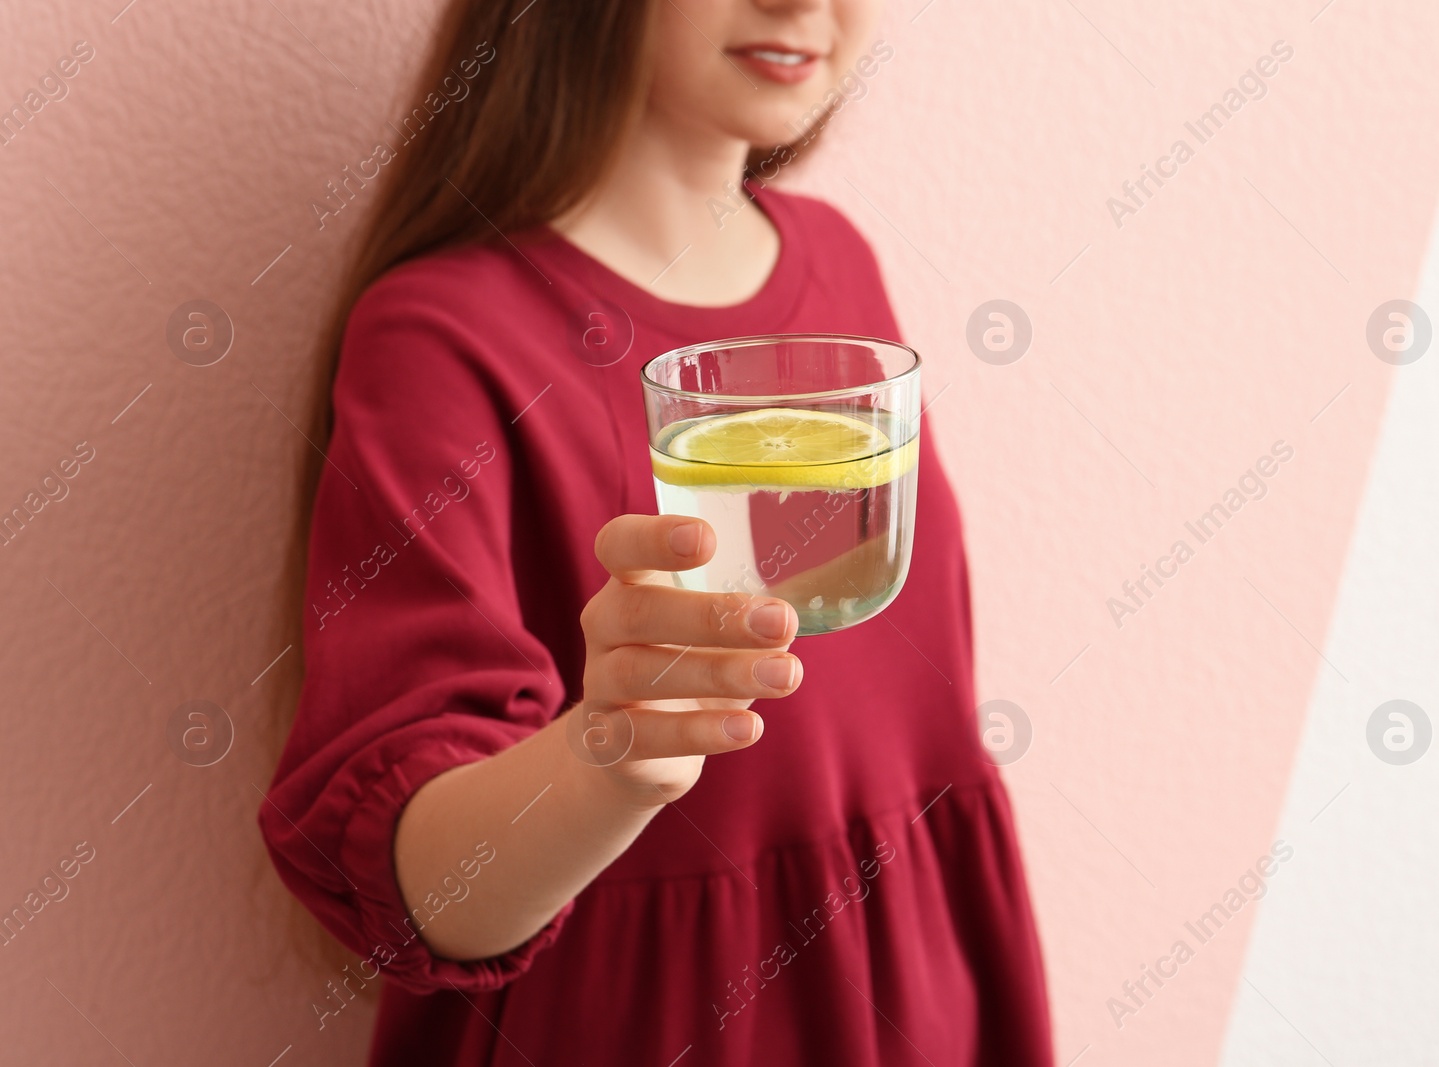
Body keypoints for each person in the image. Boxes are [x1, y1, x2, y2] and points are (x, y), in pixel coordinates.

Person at [259, 0, 1054, 1062]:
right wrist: (609, 753)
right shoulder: (443, 335)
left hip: (916, 986)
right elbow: (419, 893)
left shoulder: (839, 257)